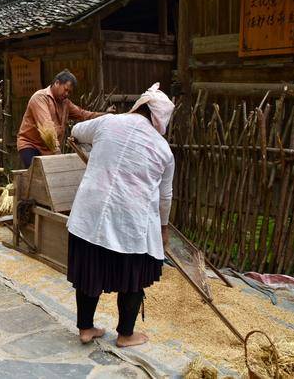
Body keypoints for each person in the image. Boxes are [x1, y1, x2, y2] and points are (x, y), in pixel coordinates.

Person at [65, 82, 175, 347]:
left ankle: (86, 328)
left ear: (139, 107)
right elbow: (165, 196)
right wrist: (164, 227)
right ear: (161, 119)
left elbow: (76, 130)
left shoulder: (108, 122)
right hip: (130, 221)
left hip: (90, 213)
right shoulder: (163, 150)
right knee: (132, 278)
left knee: (89, 271)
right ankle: (126, 335)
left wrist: (91, 140)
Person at [16, 69, 115, 168]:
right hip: (31, 145)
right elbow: (47, 125)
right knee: (37, 177)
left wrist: (106, 115)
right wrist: (56, 149)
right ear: (57, 83)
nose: (67, 94)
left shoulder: (65, 103)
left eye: (69, 92)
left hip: (48, 149)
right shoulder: (40, 98)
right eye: (66, 89)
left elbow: (83, 114)